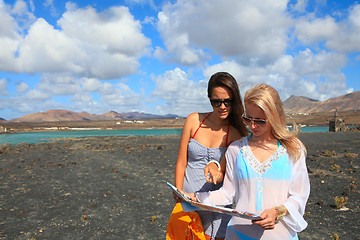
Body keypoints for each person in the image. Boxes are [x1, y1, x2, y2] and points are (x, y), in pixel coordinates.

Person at [192, 84, 310, 239]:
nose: (252, 126)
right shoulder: (236, 149)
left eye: (260, 121)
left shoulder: (293, 148)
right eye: (248, 119)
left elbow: (300, 195)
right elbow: (227, 194)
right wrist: (195, 197)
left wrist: (277, 212)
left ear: (274, 116)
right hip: (238, 234)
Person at [169, 72, 249, 240]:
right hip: (187, 203)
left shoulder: (235, 134)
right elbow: (182, 161)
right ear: (209, 99)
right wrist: (178, 193)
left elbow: (224, 172)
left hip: (215, 208)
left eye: (228, 101)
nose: (222, 106)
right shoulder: (193, 121)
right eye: (216, 101)